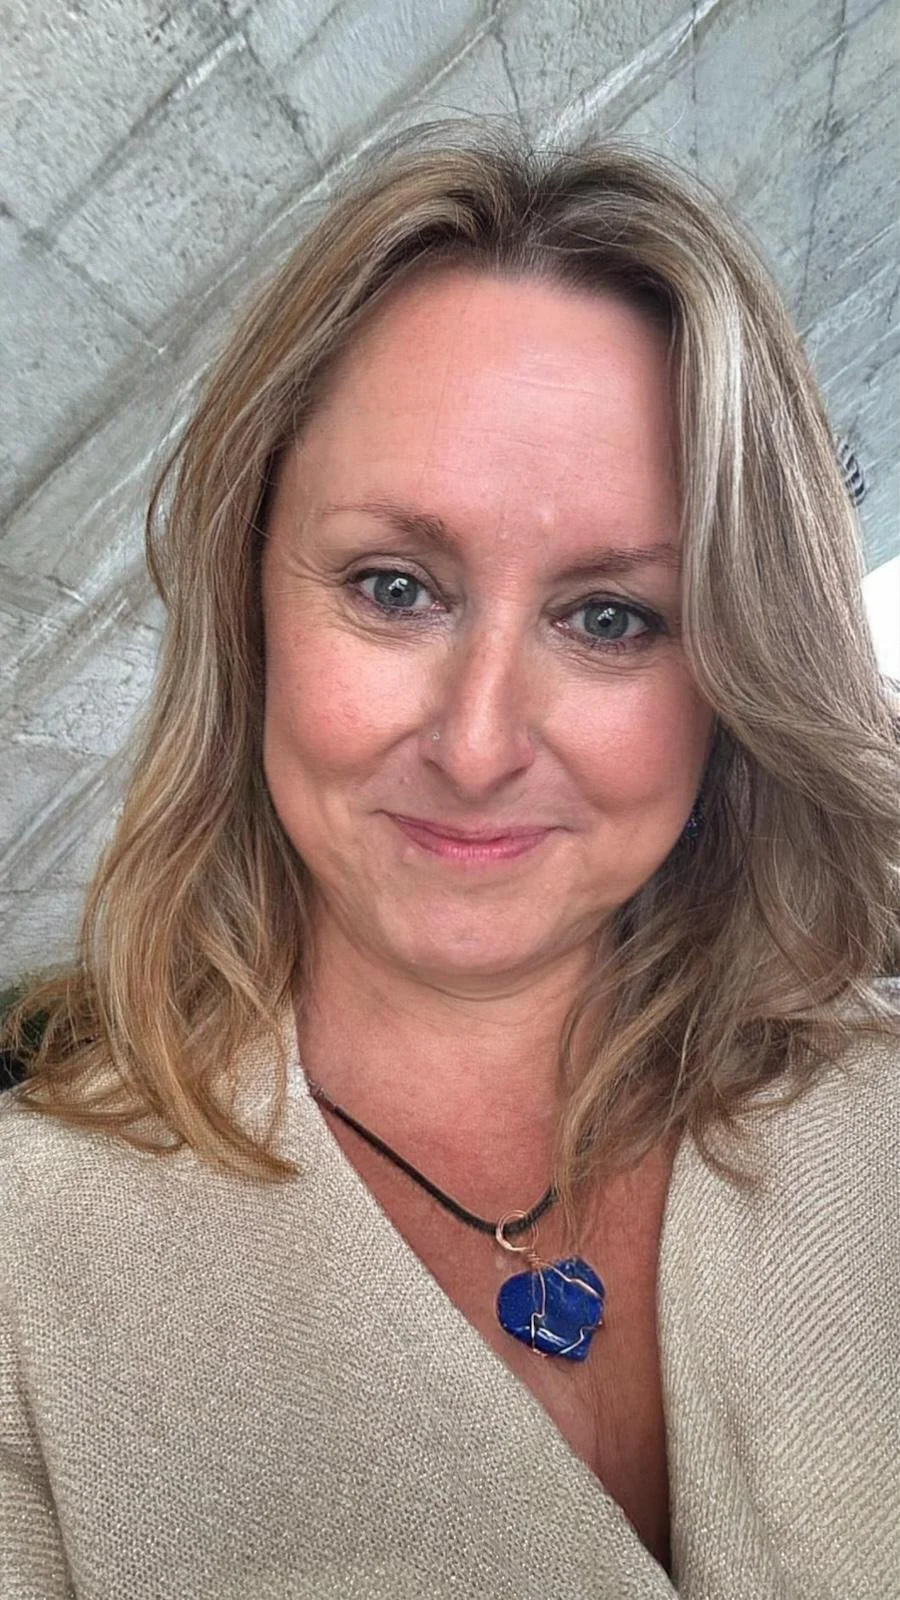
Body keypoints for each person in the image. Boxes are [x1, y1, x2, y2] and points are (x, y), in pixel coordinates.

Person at [1, 123, 898, 1600]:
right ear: (251, 607)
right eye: (395, 588)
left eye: (611, 616)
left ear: (734, 667)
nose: (478, 745)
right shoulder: (32, 1279)